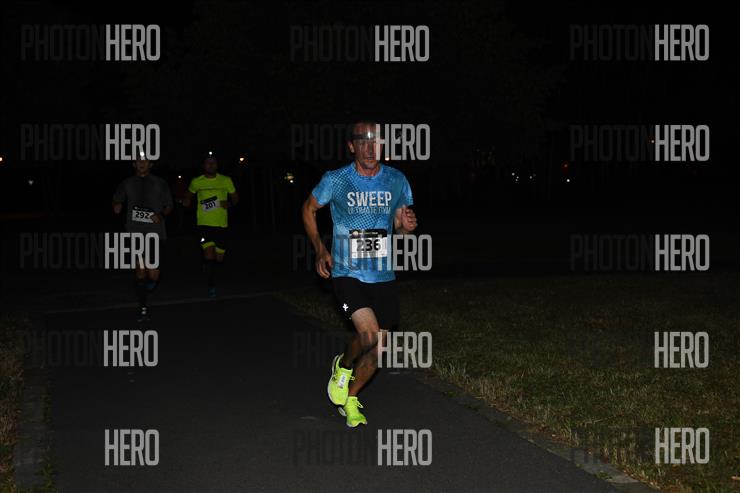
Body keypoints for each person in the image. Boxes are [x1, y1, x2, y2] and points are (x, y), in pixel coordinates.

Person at [302, 121, 418, 427]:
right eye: (362, 142)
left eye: (375, 142)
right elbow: (308, 209)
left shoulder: (396, 180)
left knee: (378, 349)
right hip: (347, 271)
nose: (369, 148)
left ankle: (351, 398)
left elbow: (399, 227)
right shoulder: (336, 179)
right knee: (368, 334)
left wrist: (406, 227)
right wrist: (320, 249)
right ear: (352, 146)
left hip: (383, 275)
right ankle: (343, 365)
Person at [112, 155, 173, 321]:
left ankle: (147, 289)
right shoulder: (127, 183)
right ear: (134, 164)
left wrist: (161, 215)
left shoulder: (160, 183)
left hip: (156, 233)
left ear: (150, 164)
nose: (141, 164)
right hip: (135, 232)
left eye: (145, 161)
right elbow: (116, 199)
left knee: (153, 274)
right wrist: (117, 205)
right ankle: (143, 307)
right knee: (140, 270)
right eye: (138, 161)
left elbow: (169, 205)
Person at [183, 153, 239, 297]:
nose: (211, 165)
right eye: (208, 163)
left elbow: (236, 198)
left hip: (221, 225)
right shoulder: (196, 182)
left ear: (217, 165)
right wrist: (186, 201)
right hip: (203, 225)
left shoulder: (226, 180)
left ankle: (210, 268)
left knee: (219, 259)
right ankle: (211, 286)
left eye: (213, 163)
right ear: (204, 166)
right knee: (209, 257)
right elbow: (188, 195)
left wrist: (230, 203)